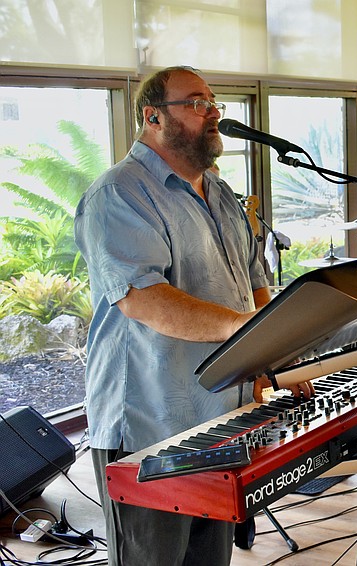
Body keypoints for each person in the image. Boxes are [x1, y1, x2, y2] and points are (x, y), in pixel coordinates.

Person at [75, 66, 313, 565]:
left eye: (213, 102)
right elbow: (144, 299)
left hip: (221, 418)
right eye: (197, 103)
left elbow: (254, 284)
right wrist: (244, 332)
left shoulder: (220, 192)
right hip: (149, 427)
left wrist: (272, 355)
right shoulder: (119, 193)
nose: (213, 114)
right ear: (153, 117)